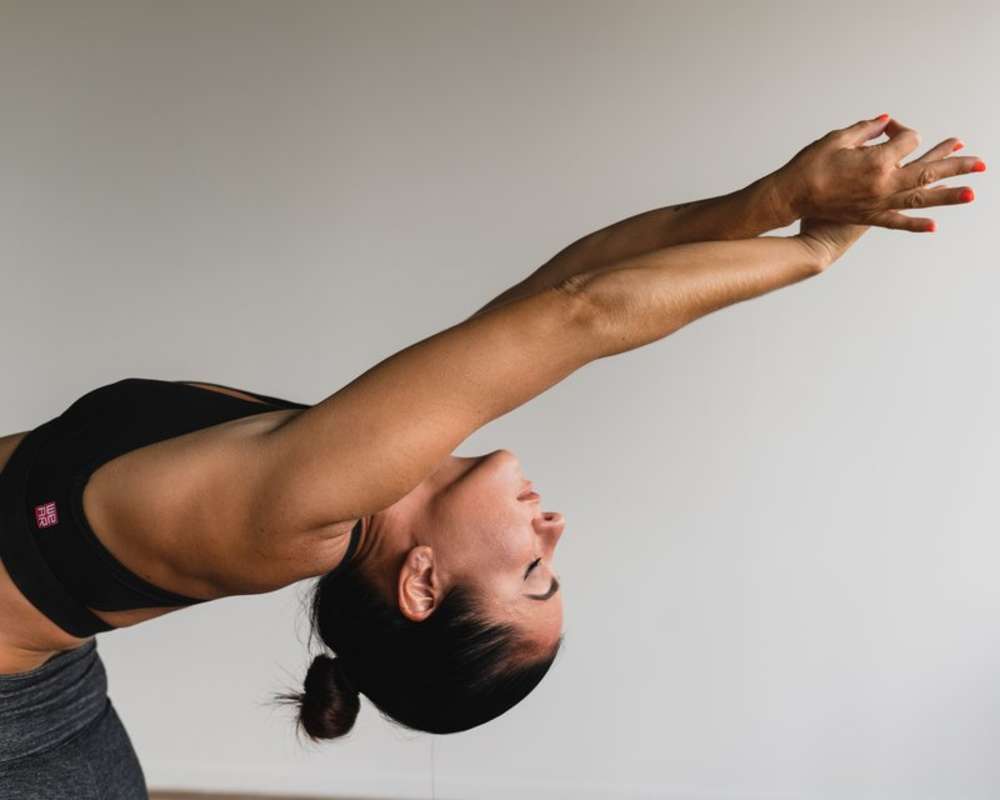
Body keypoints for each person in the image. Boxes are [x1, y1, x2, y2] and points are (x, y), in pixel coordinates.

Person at [0, 115, 983, 794]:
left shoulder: (300, 514)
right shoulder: (365, 465)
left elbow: (584, 316)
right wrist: (774, 197)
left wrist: (818, 250)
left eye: (533, 568)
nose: (553, 525)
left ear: (421, 582)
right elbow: (575, 279)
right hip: (51, 688)